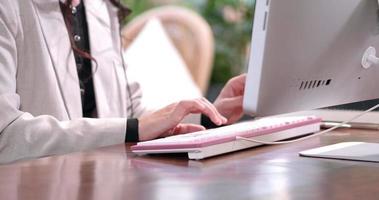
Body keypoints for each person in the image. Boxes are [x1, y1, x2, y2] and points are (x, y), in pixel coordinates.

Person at [0, 0, 246, 163]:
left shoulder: (99, 6)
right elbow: (6, 136)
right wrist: (133, 129)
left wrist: (209, 114)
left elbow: (128, 112)